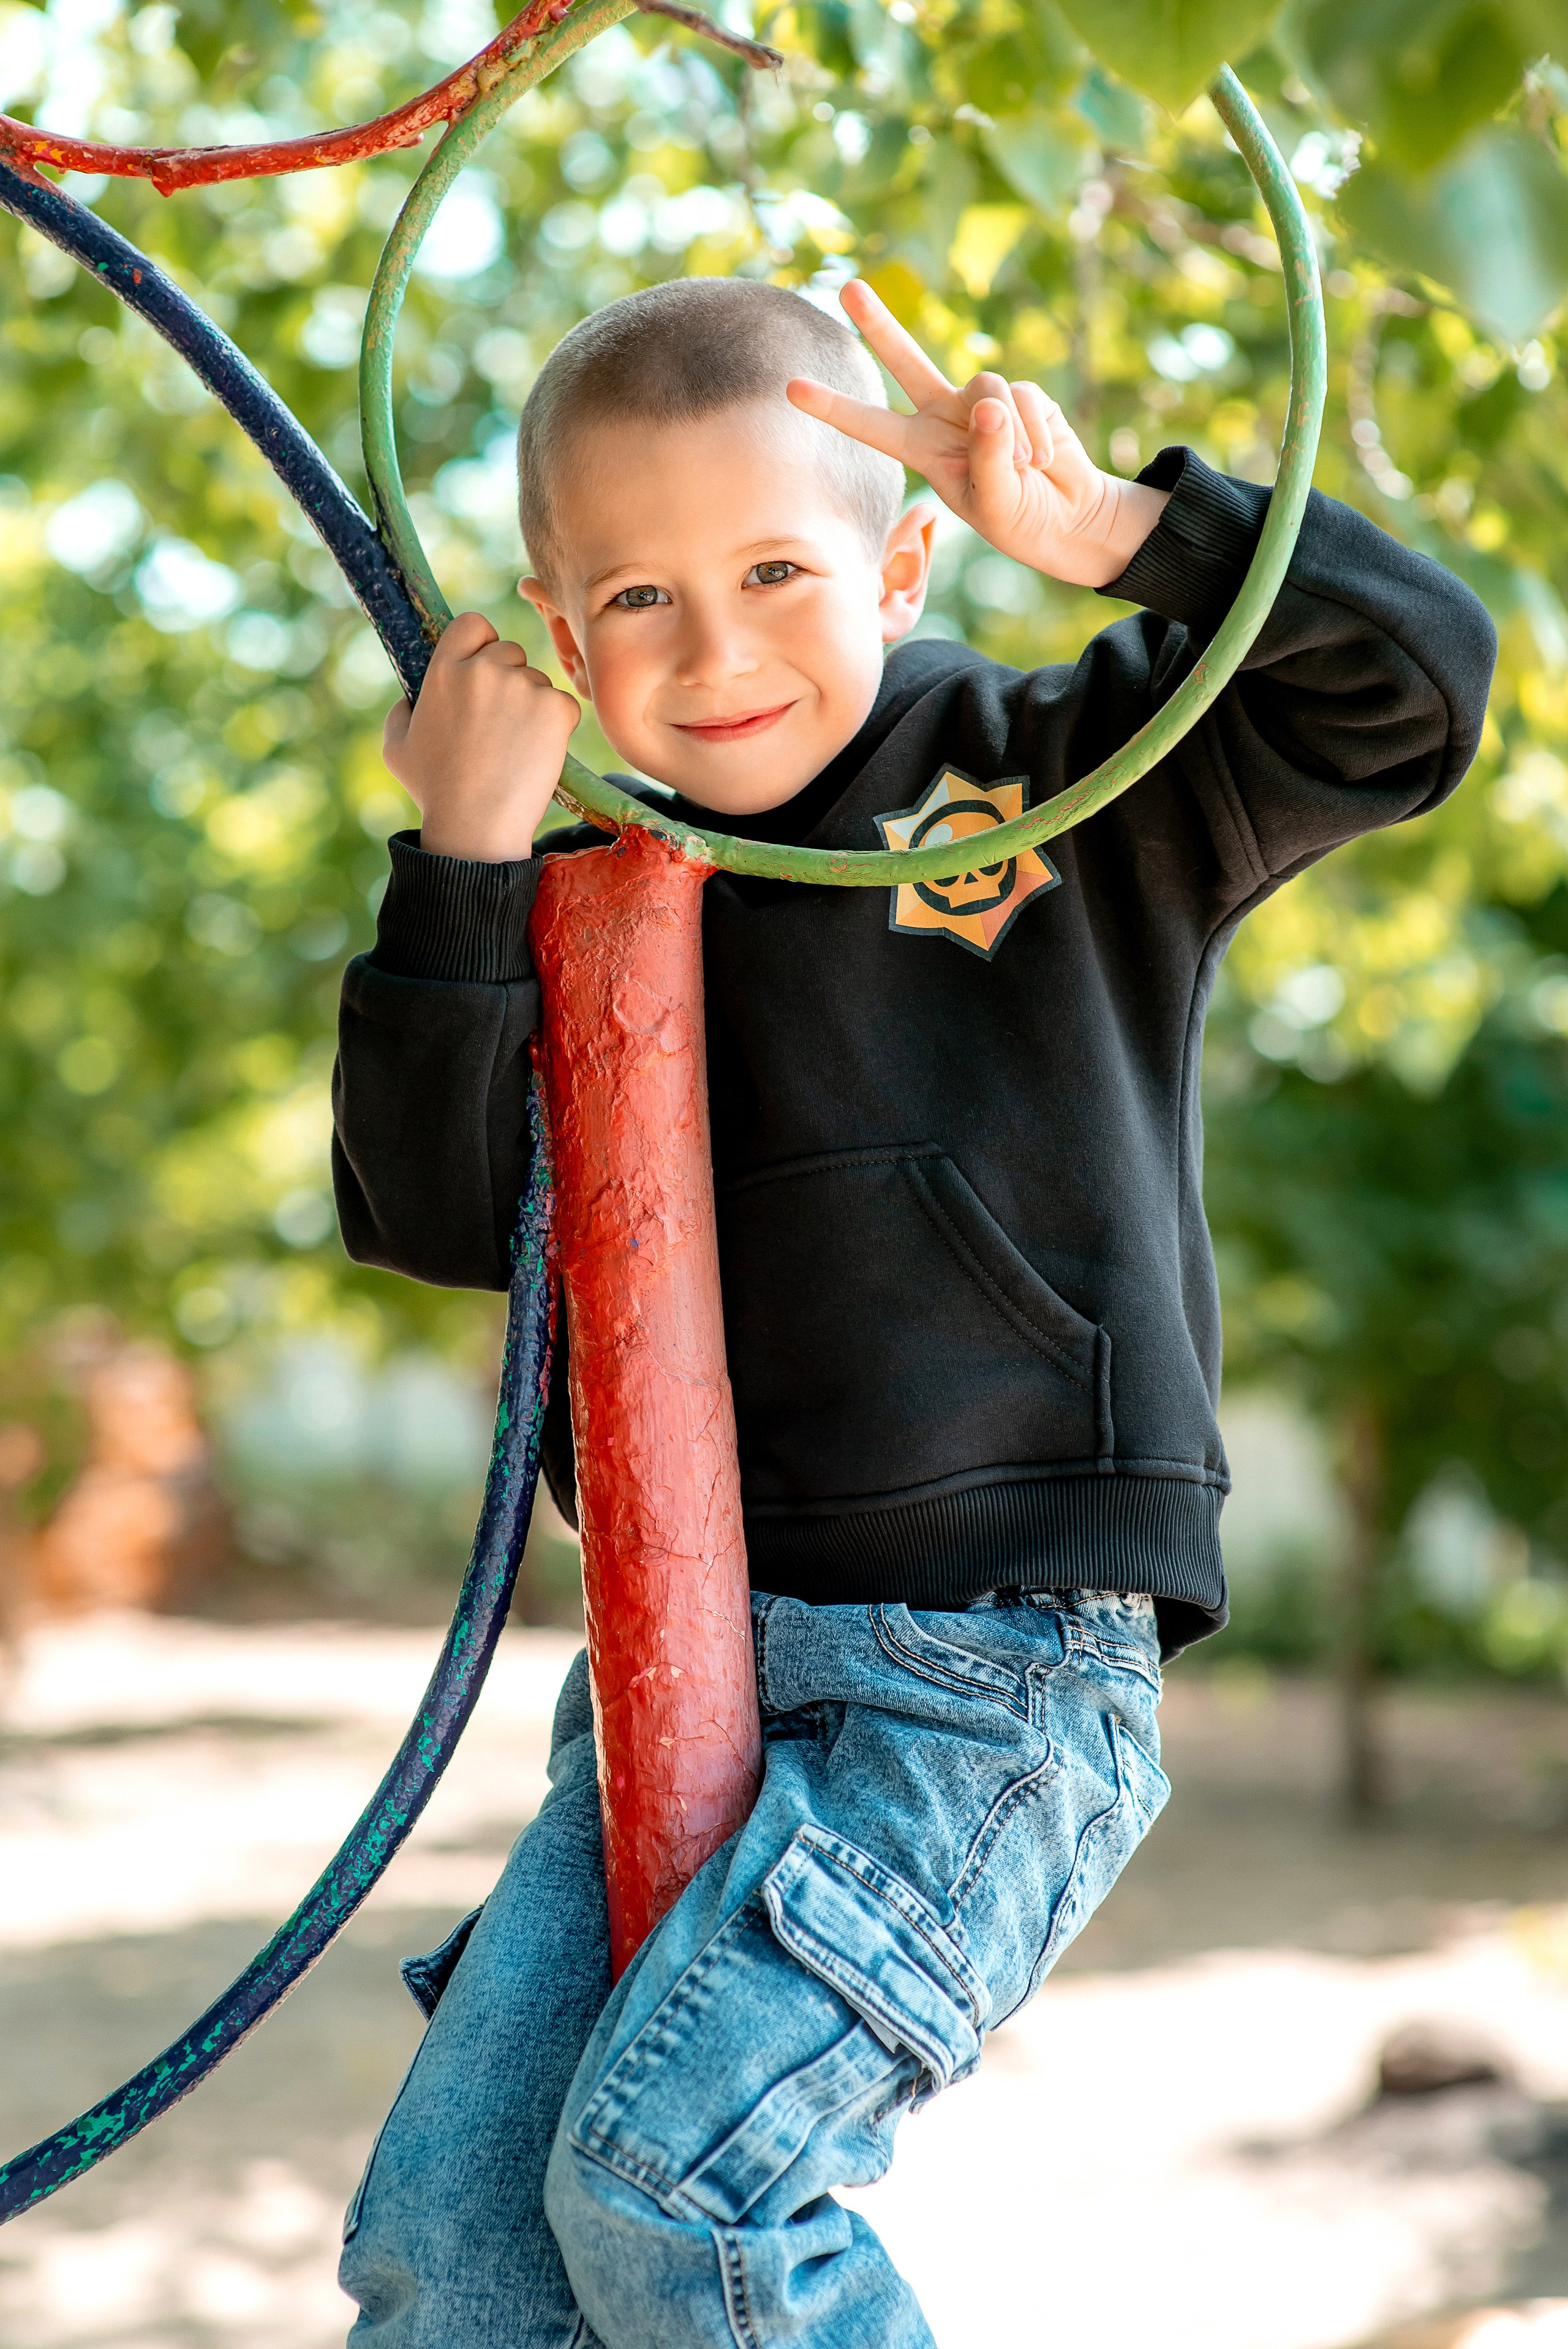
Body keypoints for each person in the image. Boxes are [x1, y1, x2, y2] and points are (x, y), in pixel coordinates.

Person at [331, 275, 1496, 2345]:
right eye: (639, 601)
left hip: (992, 1660)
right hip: (681, 1664)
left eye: (777, 569)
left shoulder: (1043, 786)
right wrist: (466, 859)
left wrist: (1137, 544)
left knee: (675, 2183)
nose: (715, 653)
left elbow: (1411, 695)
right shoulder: (588, 871)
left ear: (901, 546)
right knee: (455, 2246)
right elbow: (433, 1219)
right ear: (550, 624)